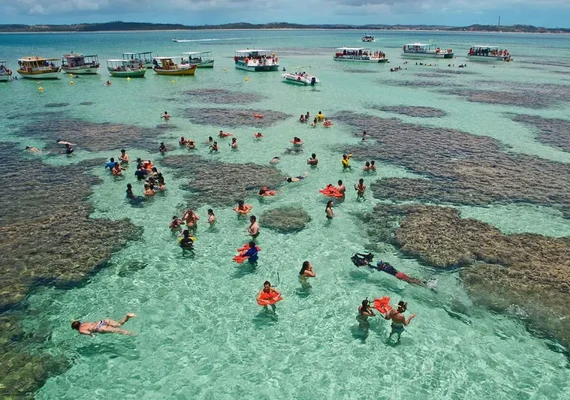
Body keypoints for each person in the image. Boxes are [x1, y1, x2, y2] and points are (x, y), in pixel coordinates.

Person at [71, 313, 136, 336]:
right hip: (102, 322)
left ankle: (135, 334)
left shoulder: (80, 330)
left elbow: (88, 333)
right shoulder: (85, 323)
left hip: (99, 328)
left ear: (76, 328)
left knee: (120, 331)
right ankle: (127, 316)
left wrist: (93, 336)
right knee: (119, 324)